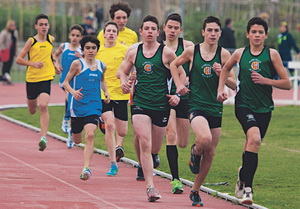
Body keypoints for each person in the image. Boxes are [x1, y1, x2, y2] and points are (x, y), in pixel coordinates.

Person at [217, 17, 291, 205]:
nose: (257, 35)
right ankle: (248, 189)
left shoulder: (272, 54)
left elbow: (287, 83)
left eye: (260, 32)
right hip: (243, 104)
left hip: (264, 107)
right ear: (247, 34)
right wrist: (221, 89)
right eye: (254, 32)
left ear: (266, 35)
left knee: (252, 143)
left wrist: (267, 80)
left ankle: (242, 175)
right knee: (255, 139)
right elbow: (225, 70)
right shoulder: (240, 54)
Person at [170, 16, 236, 207]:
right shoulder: (193, 51)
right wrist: (179, 85)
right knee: (204, 140)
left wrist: (221, 73)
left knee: (211, 153)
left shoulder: (224, 55)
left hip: (215, 107)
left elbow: (233, 83)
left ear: (220, 33)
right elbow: (174, 65)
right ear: (203, 32)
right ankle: (195, 150)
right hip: (196, 105)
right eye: (210, 30)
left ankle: (195, 191)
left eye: (216, 31)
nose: (213, 34)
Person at [120, 15, 185, 202]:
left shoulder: (167, 54)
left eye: (153, 29)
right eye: (146, 28)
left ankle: (153, 158)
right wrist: (125, 84)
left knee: (155, 147)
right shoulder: (134, 52)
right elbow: (123, 72)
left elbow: (180, 74)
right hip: (140, 103)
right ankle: (151, 186)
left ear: (158, 32)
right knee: (145, 143)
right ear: (141, 31)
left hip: (161, 105)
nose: (149, 32)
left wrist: (177, 94)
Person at [62, 35, 110, 180]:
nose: (90, 51)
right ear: (83, 49)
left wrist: (106, 92)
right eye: (87, 48)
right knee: (77, 140)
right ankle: (72, 130)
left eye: (93, 48)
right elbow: (65, 82)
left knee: (89, 135)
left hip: (94, 105)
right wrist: (73, 92)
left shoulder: (102, 65)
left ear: (97, 49)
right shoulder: (77, 64)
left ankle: (86, 168)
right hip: (77, 106)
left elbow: (102, 80)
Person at [16, 14, 59, 151]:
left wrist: (55, 64)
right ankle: (31, 104)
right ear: (36, 26)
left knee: (44, 106)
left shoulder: (51, 39)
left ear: (49, 26)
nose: (44, 27)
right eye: (41, 24)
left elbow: (50, 55)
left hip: (46, 77)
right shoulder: (31, 41)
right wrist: (32, 63)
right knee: (32, 110)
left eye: (46, 24)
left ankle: (43, 137)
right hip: (32, 79)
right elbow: (19, 59)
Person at [162, 13, 193, 194]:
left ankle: (195, 153)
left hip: (184, 95)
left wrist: (182, 86)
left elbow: (194, 68)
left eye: (176, 28)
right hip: (166, 97)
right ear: (164, 28)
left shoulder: (187, 46)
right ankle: (175, 180)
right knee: (170, 134)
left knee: (183, 142)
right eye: (170, 27)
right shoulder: (159, 48)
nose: (172, 31)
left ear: (180, 30)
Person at [95, 21, 128, 175]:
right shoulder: (98, 51)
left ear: (117, 34)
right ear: (104, 33)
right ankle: (113, 163)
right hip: (103, 92)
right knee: (110, 125)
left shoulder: (125, 50)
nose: (111, 33)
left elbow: (132, 67)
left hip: (121, 93)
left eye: (114, 31)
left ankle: (103, 122)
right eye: (108, 30)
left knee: (122, 131)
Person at [53, 24, 84, 148]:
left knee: (74, 108)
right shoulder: (64, 46)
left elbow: (88, 63)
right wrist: (57, 64)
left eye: (77, 36)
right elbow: (55, 55)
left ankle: (71, 133)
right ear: (69, 36)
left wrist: (81, 57)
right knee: (68, 98)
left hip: (77, 82)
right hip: (65, 81)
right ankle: (66, 118)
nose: (75, 38)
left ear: (81, 37)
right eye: (73, 35)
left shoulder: (82, 49)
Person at [0, 19, 18, 84]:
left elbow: (16, 42)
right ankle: (5, 79)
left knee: (9, 66)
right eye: (12, 25)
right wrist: (4, 49)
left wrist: (16, 52)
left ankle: (7, 79)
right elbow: (1, 42)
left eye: (14, 25)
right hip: (6, 52)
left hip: (12, 52)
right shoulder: (4, 32)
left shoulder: (15, 32)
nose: (13, 26)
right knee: (5, 66)